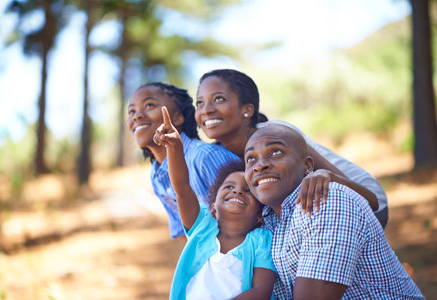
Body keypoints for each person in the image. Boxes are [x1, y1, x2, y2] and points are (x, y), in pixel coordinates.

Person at [243, 123, 424, 299]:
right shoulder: (268, 220)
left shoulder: (326, 201)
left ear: (307, 166)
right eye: (251, 158)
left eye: (276, 152)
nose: (260, 165)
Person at [195, 68, 388, 228]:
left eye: (218, 99)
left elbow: (347, 189)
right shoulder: (216, 155)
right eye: (200, 102)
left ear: (247, 109)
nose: (206, 109)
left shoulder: (276, 135)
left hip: (364, 199)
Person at [154, 106, 276, 299]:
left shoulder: (261, 240)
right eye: (228, 187)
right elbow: (183, 189)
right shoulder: (202, 226)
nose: (237, 190)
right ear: (212, 206)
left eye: (247, 191)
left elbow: (261, 291)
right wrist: (175, 148)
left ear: (260, 215)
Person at [126, 82, 239, 241]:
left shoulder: (204, 158)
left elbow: (241, 225)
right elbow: (183, 233)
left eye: (149, 105)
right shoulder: (156, 174)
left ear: (178, 117)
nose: (136, 115)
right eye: (131, 111)